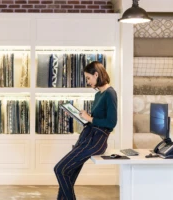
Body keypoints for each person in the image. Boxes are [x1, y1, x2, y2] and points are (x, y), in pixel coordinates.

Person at [54, 61, 117, 200]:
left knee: (59, 169)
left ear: (96, 74)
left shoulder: (110, 93)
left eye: (88, 78)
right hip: (87, 137)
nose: (88, 82)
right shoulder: (98, 95)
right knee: (67, 173)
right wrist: (81, 116)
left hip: (97, 141)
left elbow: (112, 122)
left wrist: (89, 118)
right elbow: (94, 119)